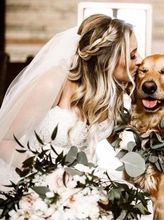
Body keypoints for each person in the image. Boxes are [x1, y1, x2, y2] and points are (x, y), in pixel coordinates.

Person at [0, 14, 142, 186]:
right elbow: (4, 141)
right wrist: (50, 175)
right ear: (107, 59)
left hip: (84, 184)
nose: (140, 60)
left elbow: (122, 143)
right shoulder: (53, 83)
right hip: (39, 182)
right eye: (133, 56)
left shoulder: (114, 95)